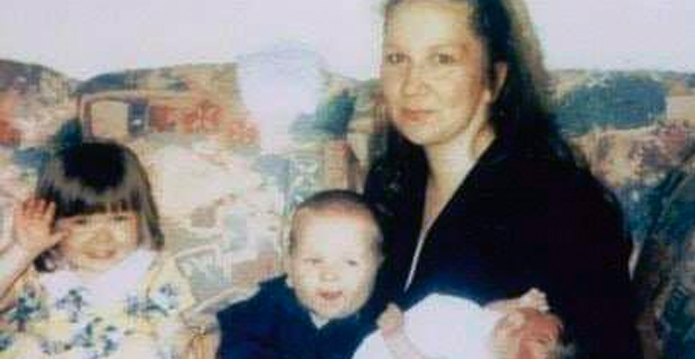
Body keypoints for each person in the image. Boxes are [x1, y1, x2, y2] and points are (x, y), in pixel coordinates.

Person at [363, 0, 642, 358]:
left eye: (442, 59)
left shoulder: (564, 208)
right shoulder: (390, 184)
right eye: (397, 58)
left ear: (494, 79)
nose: (412, 85)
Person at [0, 140, 206, 359]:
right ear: (53, 222)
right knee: (26, 348)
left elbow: (171, 329)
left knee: (141, 347)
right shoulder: (37, 270)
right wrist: (22, 250)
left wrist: (187, 346)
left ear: (141, 219)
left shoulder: (153, 270)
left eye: (119, 219)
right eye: (82, 223)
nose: (103, 237)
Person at [216, 190, 383, 359]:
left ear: (377, 267)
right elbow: (235, 340)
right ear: (290, 266)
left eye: (350, 262)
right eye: (314, 261)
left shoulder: (379, 324)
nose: (329, 275)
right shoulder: (271, 305)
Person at [354, 288, 563, 359]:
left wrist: (395, 336)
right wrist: (517, 302)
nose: (517, 319)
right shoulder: (497, 325)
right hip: (383, 334)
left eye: (540, 341)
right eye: (527, 316)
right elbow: (485, 311)